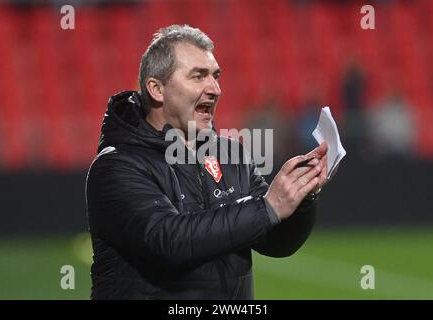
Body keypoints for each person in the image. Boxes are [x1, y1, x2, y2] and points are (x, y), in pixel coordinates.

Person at [85, 24, 330, 300]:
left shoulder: (231, 154)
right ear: (156, 89)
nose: (215, 89)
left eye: (215, 76)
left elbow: (275, 241)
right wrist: (268, 207)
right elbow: (168, 240)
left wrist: (302, 198)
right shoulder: (117, 166)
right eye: (198, 76)